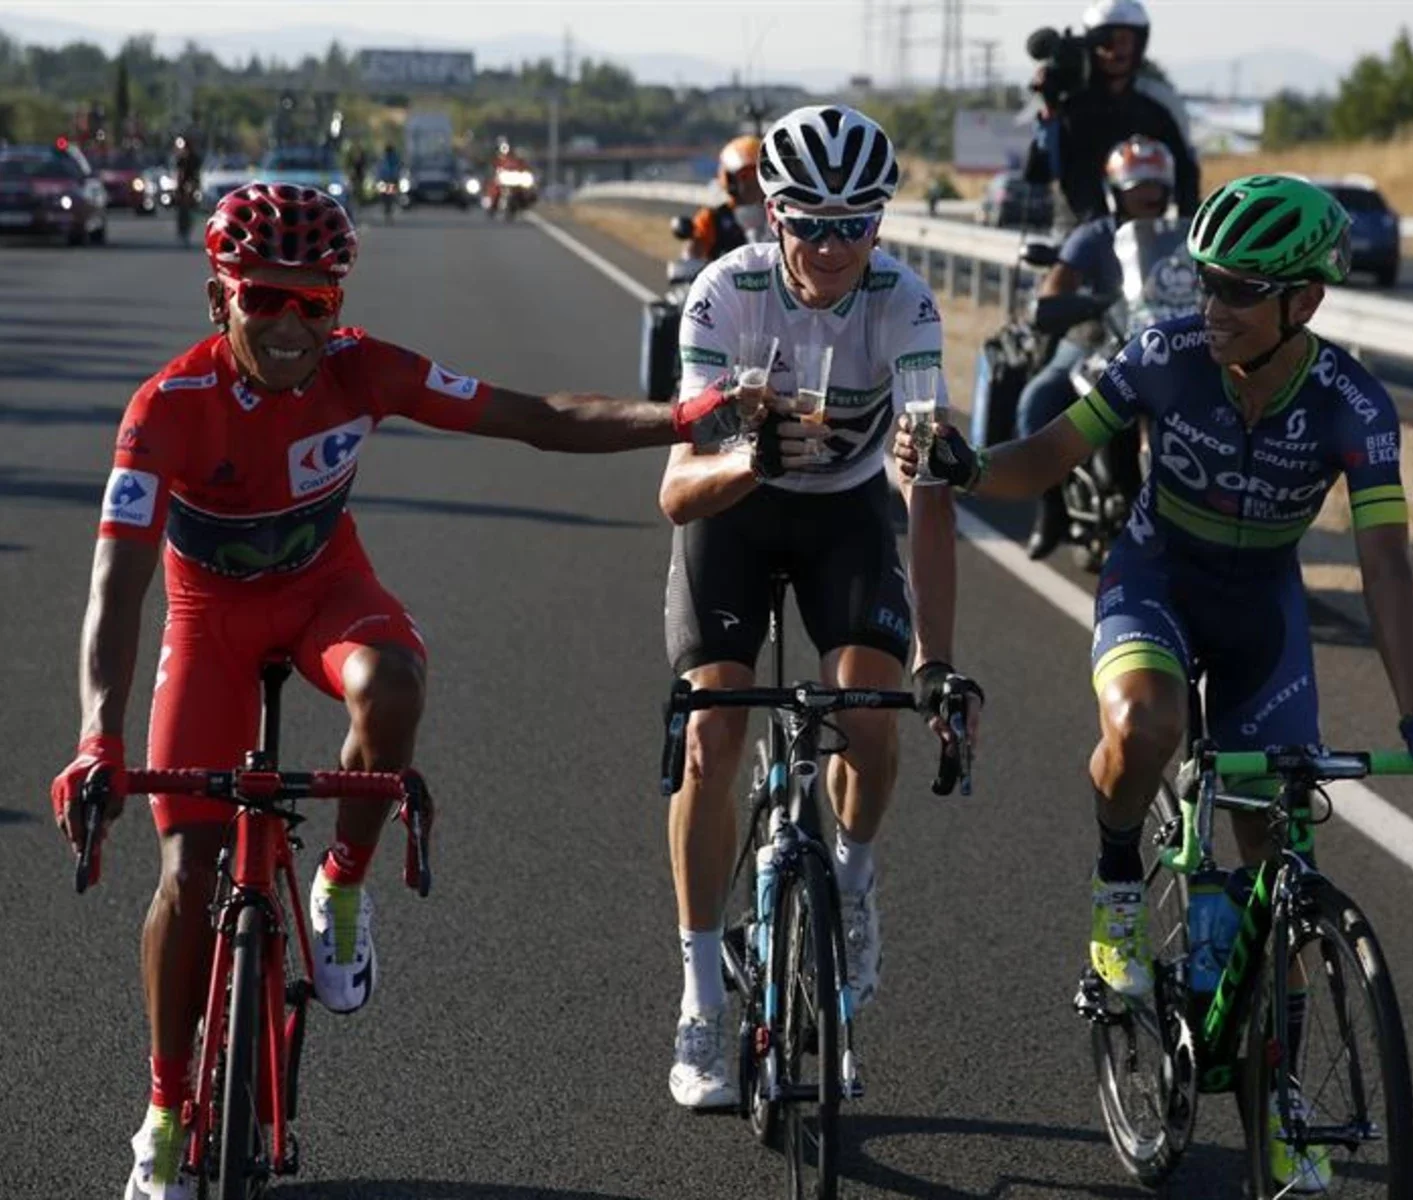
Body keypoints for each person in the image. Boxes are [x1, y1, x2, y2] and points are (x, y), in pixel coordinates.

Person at [50, 182, 744, 1200]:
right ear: (219, 300)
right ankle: (160, 1112)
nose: (290, 326)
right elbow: (117, 588)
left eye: (314, 305)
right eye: (264, 301)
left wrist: (683, 417)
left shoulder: (364, 368)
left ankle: (338, 885)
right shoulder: (166, 408)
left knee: (394, 683)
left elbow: (538, 417)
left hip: (329, 594)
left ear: (337, 308)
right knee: (187, 874)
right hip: (209, 623)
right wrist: (97, 736)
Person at [893, 175, 1413, 1188]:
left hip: (1263, 609)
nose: (1209, 304)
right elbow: (1047, 456)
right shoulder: (1163, 354)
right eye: (1205, 281)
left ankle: (1286, 1099)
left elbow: (1386, 562)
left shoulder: (1352, 403)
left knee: (1276, 846)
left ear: (1303, 301)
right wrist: (963, 462)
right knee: (1145, 722)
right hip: (1156, 576)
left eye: (1237, 289)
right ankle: (1118, 884)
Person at [658, 104, 982, 1108]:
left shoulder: (905, 302)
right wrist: (746, 458)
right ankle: (702, 995)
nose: (834, 245)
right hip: (733, 515)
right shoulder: (724, 293)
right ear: (772, 212)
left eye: (857, 222)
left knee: (873, 726)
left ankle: (849, 875)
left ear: (881, 223)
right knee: (713, 735)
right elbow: (674, 490)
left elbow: (926, 485)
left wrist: (937, 657)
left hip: (844, 517)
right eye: (811, 222)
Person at [1021, 134, 1178, 558]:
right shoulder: (1093, 236)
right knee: (1039, 398)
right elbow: (1053, 292)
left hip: (1164, 344)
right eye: (1136, 187)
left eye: (1154, 187)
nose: (1146, 196)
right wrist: (1082, 303)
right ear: (1116, 191)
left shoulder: (1183, 239)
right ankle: (1049, 509)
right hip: (1095, 338)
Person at [1024, 0, 1199, 226]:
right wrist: (1049, 112)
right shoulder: (1070, 111)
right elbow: (1039, 172)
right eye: (1106, 41)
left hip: (1147, 243)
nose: (1115, 51)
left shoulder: (1157, 108)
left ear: (1139, 44)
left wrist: (1188, 236)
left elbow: (1185, 175)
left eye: (1124, 41)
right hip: (1079, 242)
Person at [684, 134, 770, 264]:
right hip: (725, 283)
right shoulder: (711, 219)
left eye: (759, 174)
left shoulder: (781, 212)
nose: (753, 182)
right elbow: (690, 259)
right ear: (729, 179)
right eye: (745, 176)